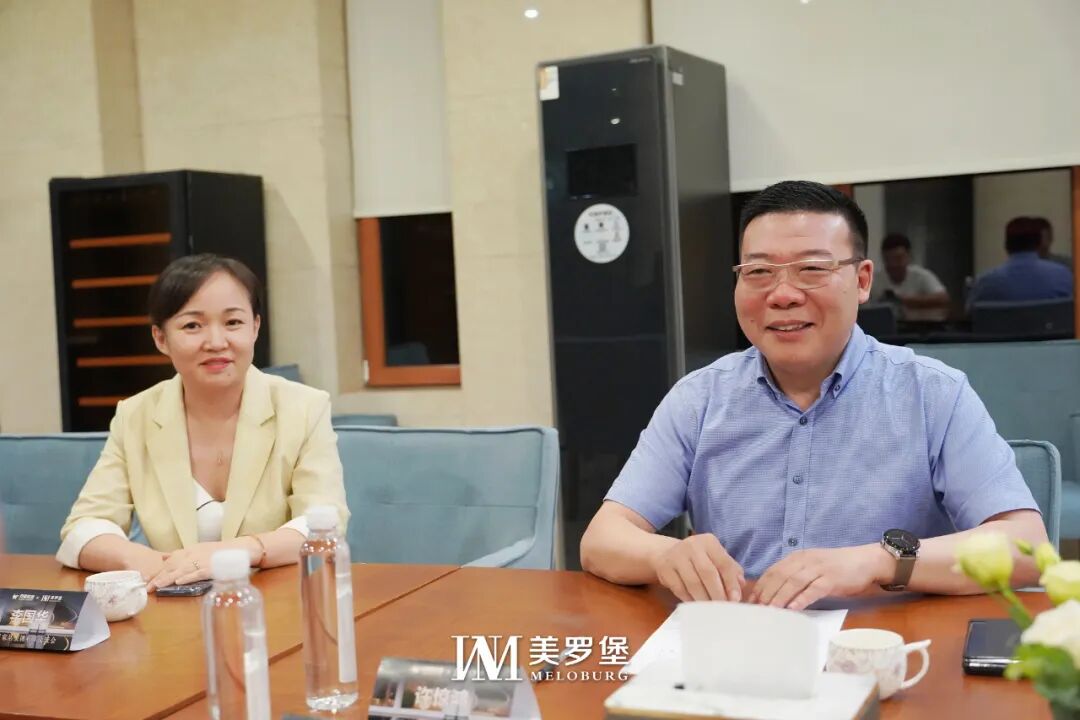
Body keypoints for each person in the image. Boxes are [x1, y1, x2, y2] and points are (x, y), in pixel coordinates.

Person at [580, 181, 1047, 609]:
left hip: (887, 650)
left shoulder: (933, 393)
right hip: (740, 647)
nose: (782, 295)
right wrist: (666, 555)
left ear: (862, 280)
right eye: (759, 271)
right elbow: (602, 540)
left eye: (812, 269)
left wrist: (877, 561)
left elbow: (1026, 547)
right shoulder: (699, 399)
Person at [58, 254, 349, 589]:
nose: (216, 342)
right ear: (161, 339)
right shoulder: (136, 415)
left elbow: (325, 524)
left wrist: (236, 552)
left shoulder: (304, 408)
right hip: (174, 602)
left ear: (255, 327)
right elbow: (84, 527)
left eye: (233, 322)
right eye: (192, 326)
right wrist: (148, 562)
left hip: (279, 601)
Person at [968, 217, 1074, 305]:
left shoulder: (985, 283)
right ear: (1038, 244)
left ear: (1006, 246)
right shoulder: (1063, 276)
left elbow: (971, 315)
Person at [871, 233, 950, 321]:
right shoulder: (874, 279)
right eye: (888, 259)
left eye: (898, 258)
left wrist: (902, 300)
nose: (893, 264)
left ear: (908, 256)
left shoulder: (921, 275)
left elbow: (943, 298)